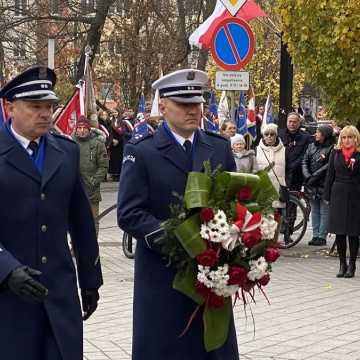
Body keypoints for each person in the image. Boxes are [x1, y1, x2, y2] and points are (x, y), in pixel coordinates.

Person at [117, 69, 239, 360]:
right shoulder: (142, 151)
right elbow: (129, 212)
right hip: (163, 276)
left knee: (212, 348)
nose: (193, 110)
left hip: (211, 274)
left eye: (196, 103)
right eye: (184, 104)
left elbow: (235, 202)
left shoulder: (219, 147)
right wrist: (177, 238)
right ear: (163, 106)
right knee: (164, 348)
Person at [0, 65, 103, 360]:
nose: (45, 113)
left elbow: (81, 221)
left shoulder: (66, 151)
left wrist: (91, 279)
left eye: (49, 106)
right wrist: (6, 270)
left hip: (59, 294)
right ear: (10, 108)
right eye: (35, 107)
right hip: (9, 298)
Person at [323, 125, 360, 278]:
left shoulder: (359, 155)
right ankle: (342, 263)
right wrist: (326, 195)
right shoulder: (335, 153)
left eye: (350, 137)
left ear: (356, 139)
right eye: (344, 137)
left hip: (355, 195)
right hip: (338, 193)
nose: (347, 140)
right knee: (339, 232)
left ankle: (352, 265)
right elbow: (329, 175)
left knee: (353, 232)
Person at [74, 116, 109, 236]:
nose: (82, 130)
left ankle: (93, 248)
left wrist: (94, 181)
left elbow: (103, 167)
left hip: (92, 191)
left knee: (93, 221)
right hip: (74, 190)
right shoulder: (70, 144)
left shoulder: (98, 144)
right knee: (76, 222)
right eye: (79, 128)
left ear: (89, 129)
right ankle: (76, 248)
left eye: (84, 128)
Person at [302, 125, 334, 246]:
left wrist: (314, 176)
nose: (316, 134)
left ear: (324, 135)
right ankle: (315, 235)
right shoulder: (311, 146)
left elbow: (329, 166)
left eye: (318, 132)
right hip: (311, 183)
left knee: (324, 210)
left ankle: (322, 236)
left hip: (323, 183)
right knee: (314, 210)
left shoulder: (332, 148)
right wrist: (307, 175)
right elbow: (304, 161)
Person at [279, 112, 311, 232]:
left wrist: (293, 165)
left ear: (299, 123)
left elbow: (305, 155)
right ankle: (279, 227)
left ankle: (289, 230)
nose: (292, 124)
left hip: (296, 175)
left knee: (292, 203)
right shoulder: (280, 134)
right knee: (280, 201)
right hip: (281, 172)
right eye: (290, 121)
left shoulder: (305, 137)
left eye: (294, 122)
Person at [256, 123, 286, 208]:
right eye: (266, 134)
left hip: (279, 192)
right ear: (263, 136)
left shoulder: (284, 150)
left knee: (279, 219)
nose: (269, 136)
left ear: (276, 135)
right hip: (262, 191)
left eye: (272, 134)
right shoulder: (256, 150)